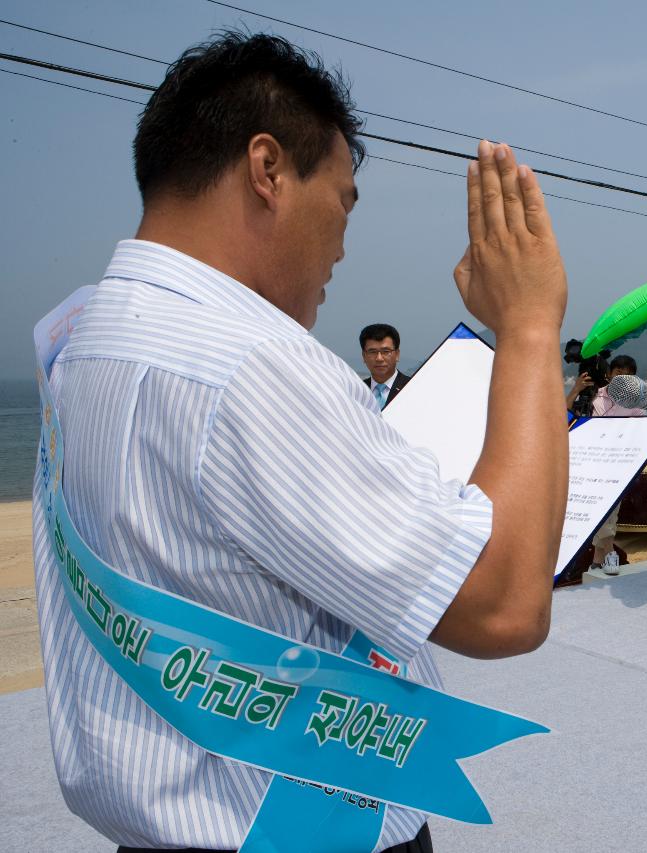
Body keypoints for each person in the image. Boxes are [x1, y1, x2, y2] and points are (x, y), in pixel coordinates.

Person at [31, 32, 568, 853]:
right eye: (344, 200)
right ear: (268, 169)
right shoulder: (251, 363)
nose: (344, 245)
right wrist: (530, 325)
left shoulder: (80, 336)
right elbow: (505, 604)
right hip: (308, 834)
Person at [566, 355, 645, 574]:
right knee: (602, 511)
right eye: (619, 372)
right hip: (590, 463)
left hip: (618, 466)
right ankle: (609, 554)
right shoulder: (593, 396)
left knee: (610, 513)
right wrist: (575, 389)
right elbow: (563, 415)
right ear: (610, 374)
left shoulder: (634, 403)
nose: (623, 377)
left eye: (629, 374)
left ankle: (598, 558)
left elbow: (641, 432)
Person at [360, 322, 411, 408]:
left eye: (386, 352)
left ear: (397, 354)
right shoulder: (357, 391)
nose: (379, 358)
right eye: (372, 352)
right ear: (364, 356)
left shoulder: (411, 386)